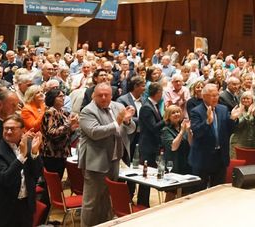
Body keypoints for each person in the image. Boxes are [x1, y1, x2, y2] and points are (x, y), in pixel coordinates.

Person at [78, 83, 136, 226]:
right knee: (92, 202)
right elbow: (95, 132)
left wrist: (128, 121)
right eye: (100, 95)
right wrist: (118, 121)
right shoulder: (87, 111)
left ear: (112, 95)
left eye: (107, 95)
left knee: (108, 200)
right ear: (93, 95)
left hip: (115, 160)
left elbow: (130, 130)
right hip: (96, 162)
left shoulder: (118, 107)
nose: (104, 98)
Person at [0, 115, 43, 227]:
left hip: (24, 208)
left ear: (22, 130)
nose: (8, 131)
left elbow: (37, 173)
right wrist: (21, 157)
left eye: (12, 128)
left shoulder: (29, 144)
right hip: (1, 210)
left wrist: (34, 152)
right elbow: (5, 179)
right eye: (5, 128)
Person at [188, 84, 237, 189]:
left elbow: (230, 131)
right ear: (204, 96)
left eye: (217, 95)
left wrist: (233, 119)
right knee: (199, 192)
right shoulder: (196, 111)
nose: (216, 98)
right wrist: (207, 122)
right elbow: (196, 133)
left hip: (220, 157)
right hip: (203, 158)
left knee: (218, 191)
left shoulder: (223, 109)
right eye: (212, 96)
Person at [137, 82, 164, 207]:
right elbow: (153, 127)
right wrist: (166, 120)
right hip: (147, 146)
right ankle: (142, 203)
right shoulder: (147, 107)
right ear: (158, 93)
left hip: (153, 145)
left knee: (150, 176)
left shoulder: (154, 105)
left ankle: (145, 203)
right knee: (145, 177)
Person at [40, 88, 79, 179]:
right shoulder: (50, 112)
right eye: (60, 96)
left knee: (58, 179)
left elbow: (66, 131)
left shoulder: (62, 111)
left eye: (63, 96)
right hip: (52, 153)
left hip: (61, 152)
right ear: (52, 98)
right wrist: (69, 124)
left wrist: (73, 126)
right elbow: (51, 133)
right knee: (52, 183)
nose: (63, 98)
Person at [160, 104, 191, 200]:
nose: (176, 114)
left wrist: (189, 131)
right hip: (173, 166)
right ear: (168, 116)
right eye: (173, 113)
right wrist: (182, 132)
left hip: (186, 164)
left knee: (186, 193)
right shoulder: (166, 130)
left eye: (178, 112)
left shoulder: (184, 128)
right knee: (171, 193)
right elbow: (173, 147)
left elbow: (191, 144)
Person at [228, 91, 255, 159]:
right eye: (243, 98)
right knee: (237, 166)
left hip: (251, 143)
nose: (245, 100)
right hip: (238, 143)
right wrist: (247, 114)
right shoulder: (237, 110)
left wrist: (254, 114)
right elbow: (238, 125)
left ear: (252, 100)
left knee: (249, 167)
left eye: (247, 98)